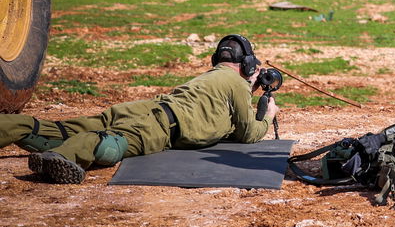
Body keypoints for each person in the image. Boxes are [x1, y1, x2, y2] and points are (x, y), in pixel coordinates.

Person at [0, 34, 277, 185]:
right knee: (111, 144)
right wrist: (267, 117)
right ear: (249, 64)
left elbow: (219, 117)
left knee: (60, 128)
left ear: (218, 58)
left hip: (144, 108)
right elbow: (247, 134)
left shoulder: (210, 77)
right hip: (160, 126)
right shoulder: (237, 85)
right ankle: (61, 156)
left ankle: (11, 127)